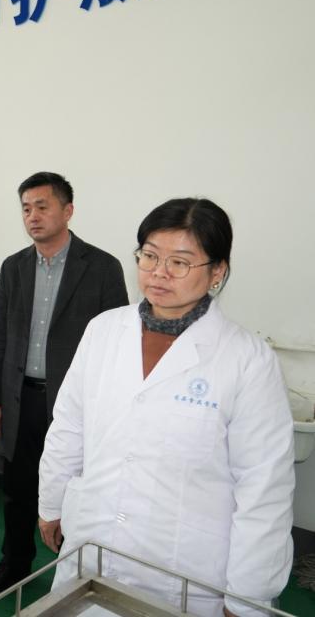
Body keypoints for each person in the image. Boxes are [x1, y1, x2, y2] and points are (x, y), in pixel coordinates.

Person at [38, 198, 295, 617]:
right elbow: (69, 425)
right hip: (91, 545)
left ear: (217, 271)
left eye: (179, 262)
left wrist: (247, 598)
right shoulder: (104, 331)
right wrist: (50, 504)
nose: (159, 273)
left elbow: (263, 487)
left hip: (185, 574)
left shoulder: (246, 359)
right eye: (150, 256)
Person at [0, 171, 128, 594]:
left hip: (77, 406)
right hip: (21, 399)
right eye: (26, 208)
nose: (33, 216)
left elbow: (117, 345)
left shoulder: (102, 268)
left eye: (42, 207)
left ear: (68, 211)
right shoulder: (13, 267)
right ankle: (14, 564)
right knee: (17, 490)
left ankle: (75, 574)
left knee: (76, 493)